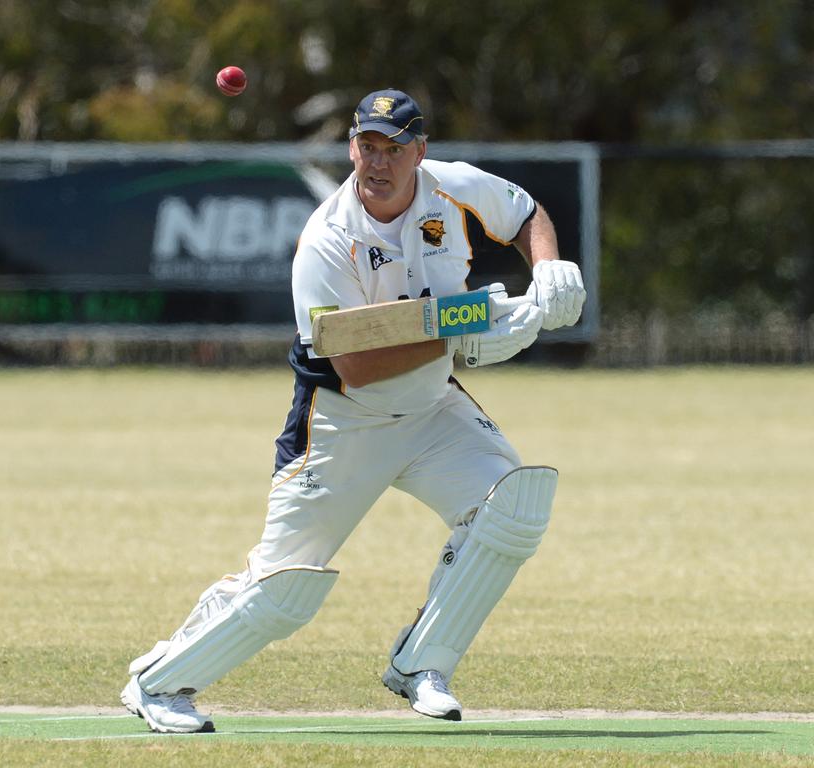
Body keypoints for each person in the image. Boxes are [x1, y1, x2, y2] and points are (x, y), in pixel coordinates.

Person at [120, 88, 586, 733]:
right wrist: (466, 323)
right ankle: (159, 682)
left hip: (431, 410)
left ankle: (421, 664)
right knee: (285, 591)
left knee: (512, 508)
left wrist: (550, 267)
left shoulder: (450, 188)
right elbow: (355, 363)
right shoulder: (327, 238)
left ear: (419, 152)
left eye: (393, 148)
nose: (379, 162)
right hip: (343, 421)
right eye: (367, 146)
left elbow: (528, 212)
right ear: (351, 148)